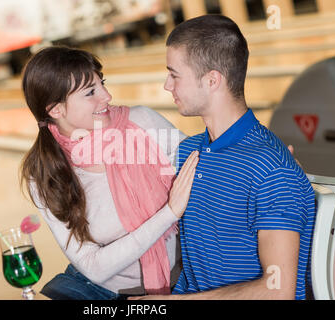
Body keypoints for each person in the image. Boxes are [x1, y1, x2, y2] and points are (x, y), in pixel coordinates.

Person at [130, 14, 316, 300]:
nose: (167, 86)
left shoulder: (271, 170)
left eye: (174, 74)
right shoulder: (188, 152)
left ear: (212, 80)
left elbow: (278, 290)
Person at [19, 46, 200, 299]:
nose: (107, 96)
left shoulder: (143, 122)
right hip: (104, 292)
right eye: (91, 92)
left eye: (102, 83)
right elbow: (94, 267)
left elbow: (209, 173)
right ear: (55, 110)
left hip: (186, 279)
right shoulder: (43, 175)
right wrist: (169, 213)